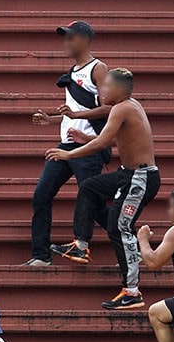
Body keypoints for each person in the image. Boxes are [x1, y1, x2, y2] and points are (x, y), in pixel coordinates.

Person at [48, 68, 160, 309]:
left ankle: (132, 292)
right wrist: (83, 138)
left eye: (107, 87)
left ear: (120, 90)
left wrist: (69, 155)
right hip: (128, 174)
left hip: (140, 178)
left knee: (119, 228)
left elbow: (101, 142)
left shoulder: (122, 108)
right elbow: (111, 139)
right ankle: (80, 246)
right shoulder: (127, 107)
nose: (102, 92)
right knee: (90, 187)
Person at [25, 21, 110, 267]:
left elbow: (109, 107)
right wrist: (51, 120)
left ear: (84, 40)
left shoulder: (98, 67)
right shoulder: (73, 71)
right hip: (65, 146)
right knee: (41, 195)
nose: (66, 43)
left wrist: (76, 117)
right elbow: (75, 110)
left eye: (70, 38)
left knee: (93, 201)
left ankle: (130, 240)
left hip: (88, 148)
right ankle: (41, 255)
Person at [137, 189, 174, 342]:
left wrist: (143, 240)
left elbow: (153, 262)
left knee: (156, 313)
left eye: (172, 207)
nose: (169, 212)